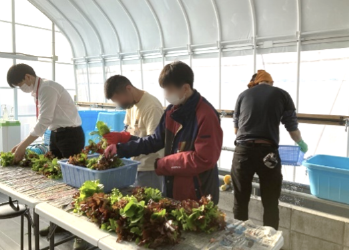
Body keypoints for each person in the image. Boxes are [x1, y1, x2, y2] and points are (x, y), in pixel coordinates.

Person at [104, 61, 223, 204]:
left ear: (185, 88)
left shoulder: (206, 115)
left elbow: (203, 159)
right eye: (164, 89)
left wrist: (164, 164)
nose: (166, 95)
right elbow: (154, 140)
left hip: (199, 191)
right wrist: (120, 149)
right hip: (173, 185)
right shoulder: (172, 112)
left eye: (169, 90)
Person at [7, 64, 86, 250]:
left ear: (28, 77)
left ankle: (80, 233)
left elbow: (44, 120)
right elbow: (45, 123)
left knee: (74, 184)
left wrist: (22, 146)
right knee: (57, 183)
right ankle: (59, 223)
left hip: (71, 136)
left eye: (20, 84)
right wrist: (21, 145)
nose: (21, 89)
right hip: (57, 134)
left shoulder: (47, 89)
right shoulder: (38, 90)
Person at [232, 69, 308, 230]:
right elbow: (292, 128)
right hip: (268, 154)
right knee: (270, 201)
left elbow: (236, 130)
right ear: (271, 82)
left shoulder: (243, 95)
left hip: (242, 152)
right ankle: (270, 241)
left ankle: (239, 240)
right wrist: (301, 142)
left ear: (255, 82)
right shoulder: (282, 95)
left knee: (240, 199)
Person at [103, 75, 165, 191]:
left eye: (118, 99)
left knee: (150, 203)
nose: (119, 104)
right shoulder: (130, 105)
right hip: (135, 164)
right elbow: (130, 129)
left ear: (128, 89)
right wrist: (119, 137)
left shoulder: (152, 107)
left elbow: (154, 141)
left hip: (150, 166)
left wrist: (122, 143)